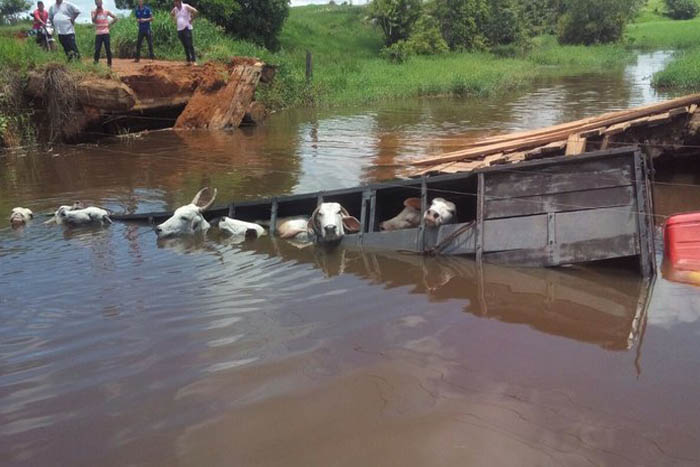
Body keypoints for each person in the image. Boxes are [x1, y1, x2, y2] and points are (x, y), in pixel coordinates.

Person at [170, 0, 197, 65]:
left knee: (189, 44)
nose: (174, 3)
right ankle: (188, 60)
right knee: (185, 45)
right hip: (179, 29)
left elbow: (195, 11)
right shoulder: (175, 9)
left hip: (187, 28)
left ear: (179, 1)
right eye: (174, 2)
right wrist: (175, 21)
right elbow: (171, 14)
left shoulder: (186, 6)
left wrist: (191, 19)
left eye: (175, 1)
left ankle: (194, 61)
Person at [91, 0, 117, 67]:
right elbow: (93, 21)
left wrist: (109, 24)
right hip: (98, 33)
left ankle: (109, 64)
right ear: (95, 3)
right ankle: (95, 64)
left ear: (102, 3)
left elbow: (115, 18)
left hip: (106, 32)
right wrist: (96, 13)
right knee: (97, 49)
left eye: (99, 2)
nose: (98, 3)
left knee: (107, 49)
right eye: (97, 2)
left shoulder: (106, 11)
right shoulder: (93, 12)